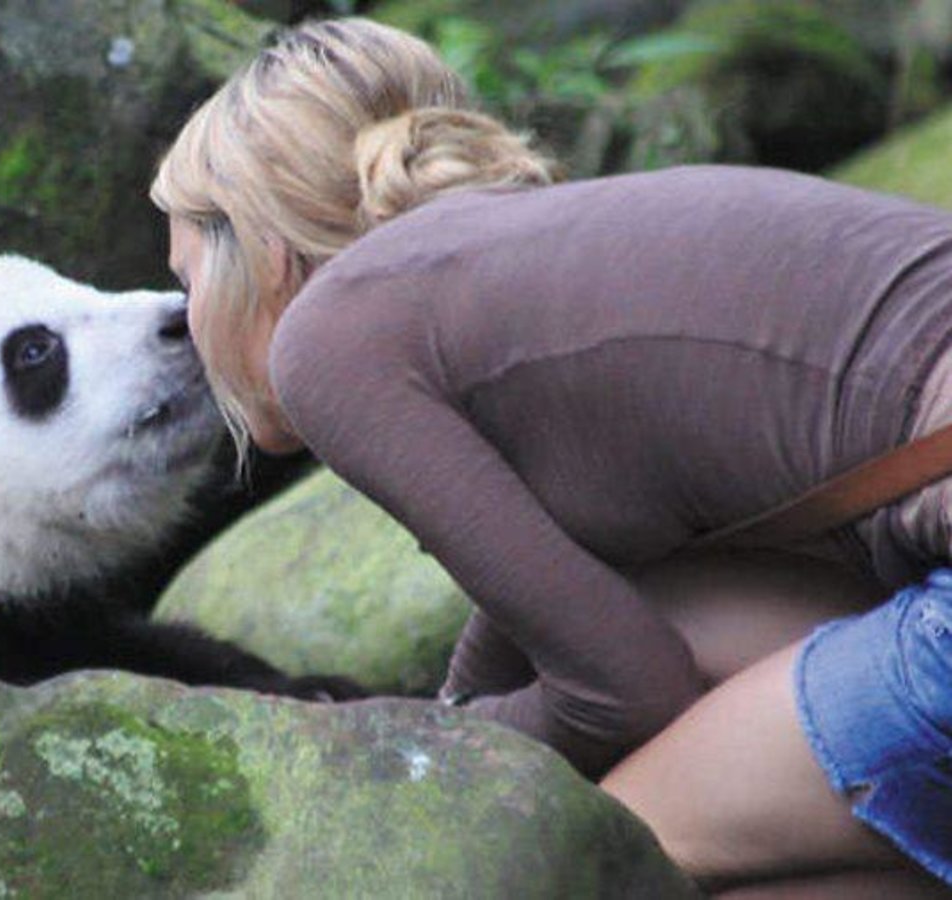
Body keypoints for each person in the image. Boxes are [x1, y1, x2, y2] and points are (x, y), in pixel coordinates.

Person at [151, 16, 952, 898]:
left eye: (187, 283)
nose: (188, 323)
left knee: (594, 852)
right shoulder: (515, 270)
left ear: (265, 255)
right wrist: (436, 720)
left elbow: (621, 692)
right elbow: (558, 628)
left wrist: (407, 758)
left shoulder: (329, 337)